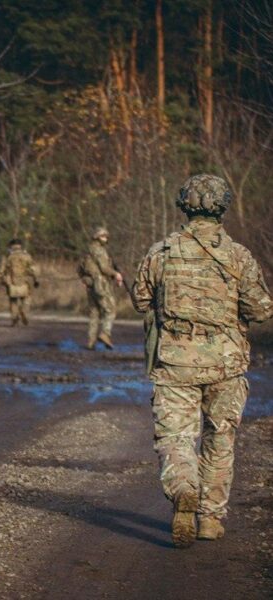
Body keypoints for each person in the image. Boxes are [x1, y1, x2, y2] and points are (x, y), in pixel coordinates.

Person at [131, 174, 273, 548]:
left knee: (177, 437)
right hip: (226, 363)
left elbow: (140, 300)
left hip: (176, 361)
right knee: (220, 439)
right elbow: (260, 309)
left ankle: (182, 488)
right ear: (223, 207)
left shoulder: (161, 252)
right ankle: (210, 519)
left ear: (184, 205)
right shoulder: (239, 256)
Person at [78, 226, 124, 349]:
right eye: (103, 236)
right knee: (110, 310)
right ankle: (105, 333)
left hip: (90, 285)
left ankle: (90, 342)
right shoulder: (100, 251)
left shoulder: (87, 251)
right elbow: (104, 268)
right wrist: (116, 274)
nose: (105, 238)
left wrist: (84, 279)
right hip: (101, 285)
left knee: (94, 313)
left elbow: (80, 268)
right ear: (97, 237)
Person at [0, 238, 39, 326]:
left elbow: (2, 270)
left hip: (12, 283)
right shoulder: (26, 256)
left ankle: (14, 318)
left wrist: (2, 281)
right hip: (25, 282)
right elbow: (34, 269)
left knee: (13, 301)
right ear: (20, 246)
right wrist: (36, 279)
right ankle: (24, 313)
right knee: (26, 299)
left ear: (11, 246)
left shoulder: (8, 256)